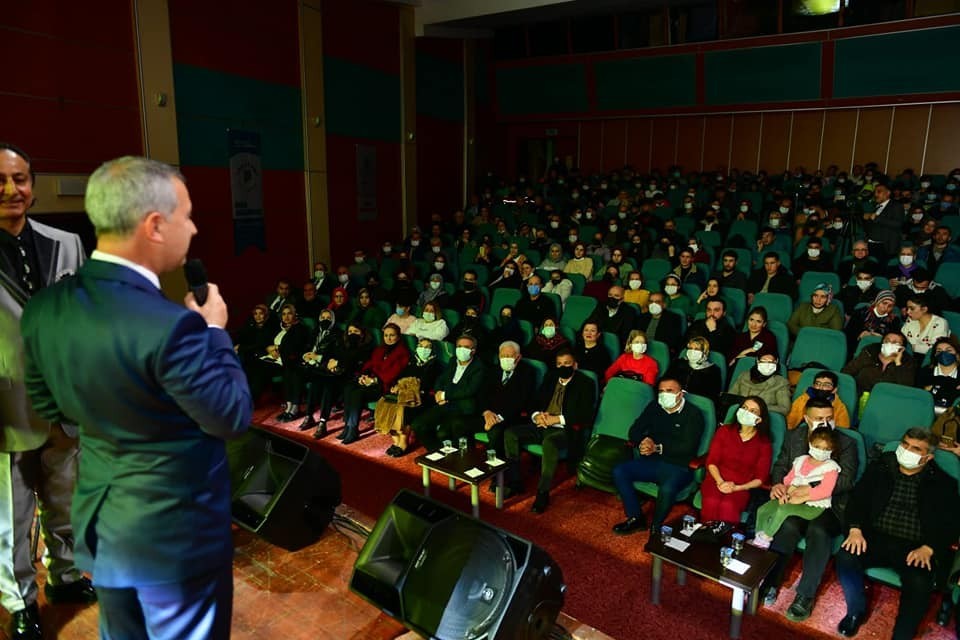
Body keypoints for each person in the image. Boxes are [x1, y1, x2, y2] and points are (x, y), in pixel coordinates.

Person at [20, 156, 251, 639]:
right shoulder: (172, 326)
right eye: (187, 216)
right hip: (174, 538)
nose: (194, 228)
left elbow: (50, 406)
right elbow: (230, 415)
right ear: (155, 225)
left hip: (103, 524)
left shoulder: (43, 309)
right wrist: (214, 332)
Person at [0, 143, 93, 639]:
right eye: (0, 181)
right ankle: (20, 601)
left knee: (66, 500)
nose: (11, 189)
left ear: (33, 186)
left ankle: (66, 577)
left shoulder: (68, 243)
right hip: (7, 409)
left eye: (20, 179)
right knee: (12, 517)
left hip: (64, 403)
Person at [834, 428, 960, 640]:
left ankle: (902, 635)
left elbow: (952, 523)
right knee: (846, 556)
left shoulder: (943, 483)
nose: (907, 450)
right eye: (905, 444)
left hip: (915, 547)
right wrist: (855, 528)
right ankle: (856, 611)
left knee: (920, 581)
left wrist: (929, 547)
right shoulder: (880, 467)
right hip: (875, 537)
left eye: (916, 449)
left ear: (928, 457)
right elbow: (857, 500)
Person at [760, 399, 859, 623]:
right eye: (818, 418)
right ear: (806, 418)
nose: (825, 422)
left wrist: (808, 489)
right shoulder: (795, 436)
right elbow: (781, 465)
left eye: (829, 418)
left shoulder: (846, 443)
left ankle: (805, 595)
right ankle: (771, 581)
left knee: (818, 531)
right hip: (795, 500)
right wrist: (778, 484)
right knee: (788, 525)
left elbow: (846, 481)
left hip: (830, 506)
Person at [503, 349, 596, 514]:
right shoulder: (551, 377)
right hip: (542, 423)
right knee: (511, 433)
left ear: (575, 365)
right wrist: (536, 415)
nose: (563, 367)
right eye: (559, 364)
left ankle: (543, 491)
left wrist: (557, 419)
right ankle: (515, 482)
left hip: (564, 429)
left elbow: (585, 414)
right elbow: (535, 401)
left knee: (549, 443)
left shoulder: (585, 383)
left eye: (567, 363)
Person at [611, 377, 705, 533]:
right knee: (619, 471)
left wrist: (657, 448)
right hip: (653, 461)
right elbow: (634, 431)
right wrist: (643, 440)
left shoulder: (693, 414)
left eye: (669, 391)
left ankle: (656, 525)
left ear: (680, 394)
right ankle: (635, 518)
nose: (664, 394)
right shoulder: (654, 406)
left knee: (667, 489)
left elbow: (687, 447)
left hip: (679, 466)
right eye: (661, 391)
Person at [751, 427, 840, 548]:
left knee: (783, 510)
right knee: (763, 509)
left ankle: (765, 539)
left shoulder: (831, 467)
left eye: (826, 449)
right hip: (791, 496)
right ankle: (758, 536)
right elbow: (789, 479)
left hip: (813, 505)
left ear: (832, 450)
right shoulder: (801, 460)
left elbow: (825, 491)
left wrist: (802, 498)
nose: (821, 451)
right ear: (810, 444)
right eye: (818, 447)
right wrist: (784, 492)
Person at [463, 341, 536, 487]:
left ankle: (496, 475)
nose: (505, 359)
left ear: (518, 357)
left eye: (509, 356)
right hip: (489, 414)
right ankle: (468, 464)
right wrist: (486, 413)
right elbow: (481, 394)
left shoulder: (527, 373)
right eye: (503, 356)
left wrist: (497, 418)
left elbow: (521, 401)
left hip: (511, 417)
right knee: (460, 424)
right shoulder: (493, 370)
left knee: (495, 433)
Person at [700, 397, 773, 524]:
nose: (746, 412)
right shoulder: (724, 431)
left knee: (728, 506)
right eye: (744, 408)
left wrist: (737, 488)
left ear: (759, 419)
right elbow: (712, 461)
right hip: (716, 479)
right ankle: (705, 533)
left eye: (753, 411)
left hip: (742, 486)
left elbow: (760, 478)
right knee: (711, 502)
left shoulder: (764, 443)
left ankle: (727, 536)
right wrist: (720, 482)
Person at [410, 335, 487, 452]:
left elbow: (469, 390)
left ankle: (461, 456)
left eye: (466, 347)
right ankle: (438, 451)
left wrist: (444, 395)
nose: (461, 349)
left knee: (444, 432)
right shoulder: (453, 361)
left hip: (463, 407)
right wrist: (438, 393)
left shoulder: (479, 367)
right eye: (459, 346)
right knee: (418, 424)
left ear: (473, 350)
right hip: (446, 403)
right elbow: (441, 379)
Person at [338, 324, 410, 444]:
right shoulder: (380, 349)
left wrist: (374, 380)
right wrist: (364, 376)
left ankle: (353, 429)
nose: (388, 338)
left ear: (398, 337)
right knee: (349, 388)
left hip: (385, 386)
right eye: (386, 335)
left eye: (392, 335)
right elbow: (369, 364)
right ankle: (347, 426)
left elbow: (394, 373)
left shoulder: (403, 352)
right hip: (372, 382)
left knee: (357, 393)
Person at [377, 338, 441, 457]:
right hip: (405, 393)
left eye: (427, 347)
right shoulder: (412, 361)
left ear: (432, 350)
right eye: (421, 346)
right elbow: (400, 377)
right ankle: (396, 440)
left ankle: (403, 442)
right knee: (387, 404)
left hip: (423, 397)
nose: (423, 349)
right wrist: (397, 386)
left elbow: (425, 383)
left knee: (405, 408)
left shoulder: (435, 365)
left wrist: (404, 386)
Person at [297, 308, 343, 435]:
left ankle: (323, 421)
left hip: (327, 369)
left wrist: (318, 357)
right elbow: (307, 347)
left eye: (328, 318)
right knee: (313, 384)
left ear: (333, 320)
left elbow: (336, 355)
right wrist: (305, 355)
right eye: (323, 318)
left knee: (327, 386)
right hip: (312, 368)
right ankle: (309, 416)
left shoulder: (337, 334)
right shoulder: (315, 331)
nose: (325, 320)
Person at [785, 370, 852, 429]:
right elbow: (790, 422)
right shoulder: (803, 399)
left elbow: (842, 431)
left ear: (834, 390)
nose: (821, 387)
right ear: (813, 386)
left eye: (826, 385)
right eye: (818, 384)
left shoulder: (839, 407)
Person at [665, 336, 723, 402]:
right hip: (672, 398)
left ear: (704, 352)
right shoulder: (678, 363)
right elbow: (665, 381)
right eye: (690, 348)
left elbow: (711, 396)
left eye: (696, 349)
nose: (692, 351)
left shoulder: (713, 371)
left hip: (696, 402)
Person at [843, 289, 901, 354]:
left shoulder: (894, 321)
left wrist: (882, 338)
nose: (886, 308)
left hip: (879, 351)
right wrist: (859, 335)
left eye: (890, 306)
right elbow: (848, 334)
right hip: (856, 347)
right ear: (877, 302)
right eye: (884, 303)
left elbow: (895, 341)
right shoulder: (860, 313)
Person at [917, 336, 960, 415]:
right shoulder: (925, 372)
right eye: (939, 351)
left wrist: (933, 388)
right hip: (924, 412)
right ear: (935, 355)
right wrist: (953, 389)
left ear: (957, 354)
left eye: (949, 350)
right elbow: (918, 395)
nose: (943, 354)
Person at [900, 293, 950, 358]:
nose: (908, 312)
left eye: (912, 309)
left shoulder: (940, 322)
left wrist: (911, 347)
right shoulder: (911, 319)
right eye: (907, 308)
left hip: (929, 359)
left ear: (924, 309)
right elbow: (901, 338)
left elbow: (936, 349)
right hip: (908, 356)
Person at [863, 184, 905, 261]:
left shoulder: (896, 206)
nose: (876, 194)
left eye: (879, 192)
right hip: (871, 244)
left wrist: (876, 218)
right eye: (875, 192)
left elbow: (898, 224)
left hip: (885, 246)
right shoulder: (875, 206)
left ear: (888, 193)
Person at [635, 291, 683, 356]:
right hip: (641, 350)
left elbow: (673, 342)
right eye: (651, 301)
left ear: (664, 304)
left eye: (657, 302)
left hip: (660, 352)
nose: (653, 304)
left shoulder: (673, 319)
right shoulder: (642, 317)